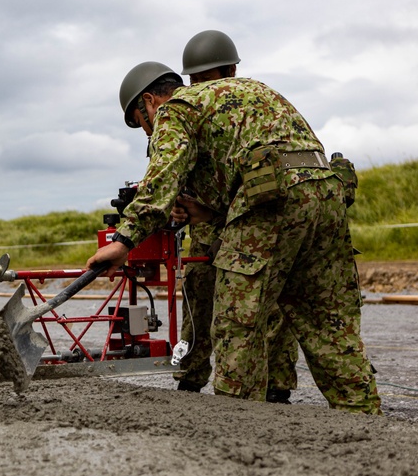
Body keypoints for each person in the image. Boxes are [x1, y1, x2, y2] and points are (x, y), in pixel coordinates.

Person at [88, 61, 381, 415]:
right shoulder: (251, 90)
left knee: (237, 328)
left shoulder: (175, 110)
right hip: (327, 197)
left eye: (144, 124)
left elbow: (162, 177)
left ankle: (240, 429)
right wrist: (211, 213)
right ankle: (366, 420)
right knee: (330, 328)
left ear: (150, 102)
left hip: (272, 209)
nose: (150, 133)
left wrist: (123, 240)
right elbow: (266, 167)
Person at [172, 30, 294, 404]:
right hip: (224, 225)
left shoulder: (211, 110)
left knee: (245, 308)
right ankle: (198, 377)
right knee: (222, 301)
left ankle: (267, 386)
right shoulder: (256, 104)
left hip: (243, 222)